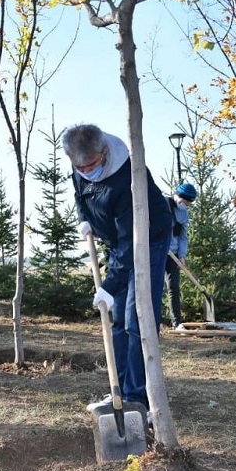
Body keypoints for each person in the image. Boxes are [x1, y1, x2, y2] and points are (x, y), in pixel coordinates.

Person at [62, 124, 172, 413]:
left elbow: (130, 242)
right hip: (117, 241)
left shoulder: (129, 178)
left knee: (138, 318)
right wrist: (84, 218)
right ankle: (120, 392)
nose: (86, 171)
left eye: (92, 165)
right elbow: (79, 193)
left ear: (104, 152)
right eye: (80, 167)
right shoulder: (81, 163)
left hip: (148, 238)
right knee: (119, 320)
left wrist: (109, 287)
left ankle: (139, 398)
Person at [164, 182, 196, 331]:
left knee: (174, 288)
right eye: (185, 201)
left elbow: (183, 236)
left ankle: (176, 323)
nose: (186, 205)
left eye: (189, 203)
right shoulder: (163, 204)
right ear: (177, 196)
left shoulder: (184, 213)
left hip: (174, 255)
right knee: (154, 288)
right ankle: (153, 323)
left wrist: (182, 255)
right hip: (157, 253)